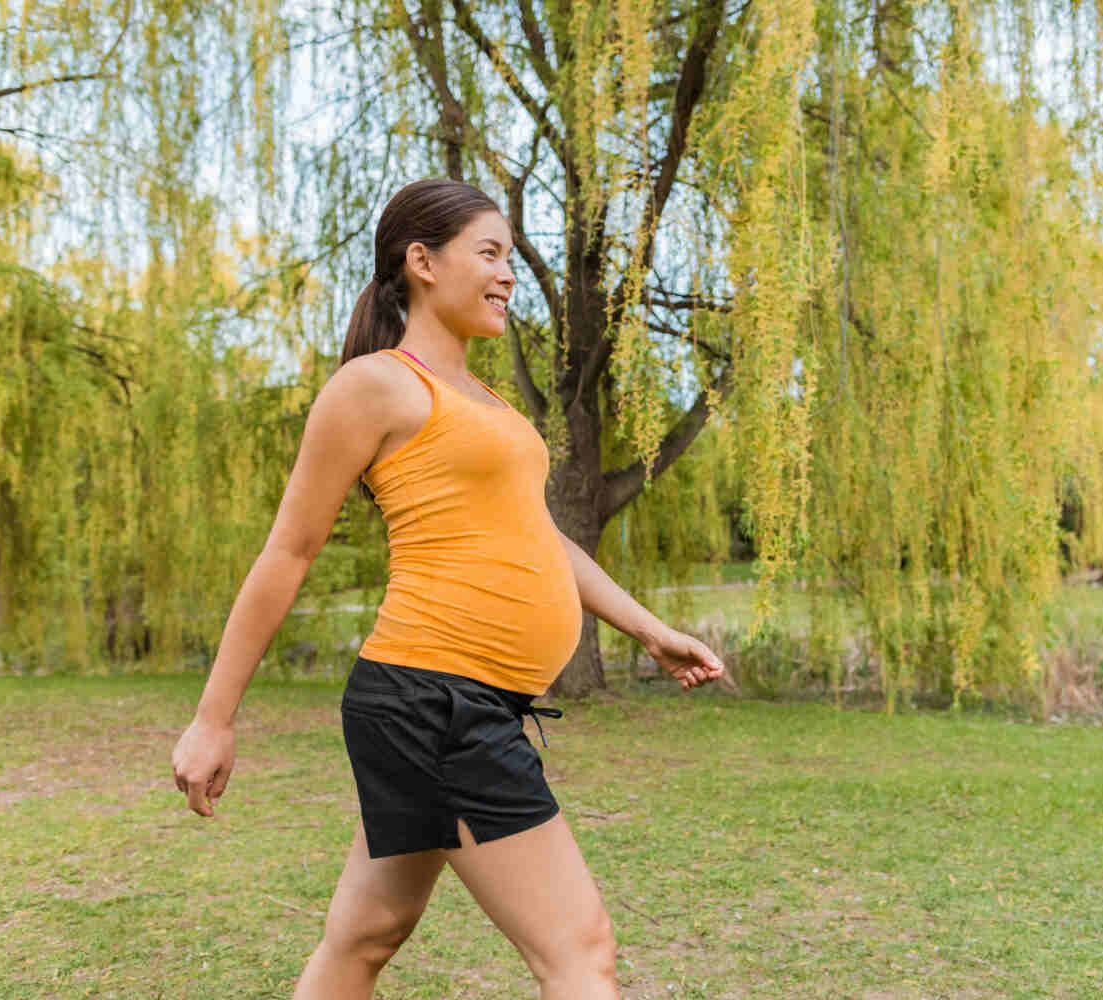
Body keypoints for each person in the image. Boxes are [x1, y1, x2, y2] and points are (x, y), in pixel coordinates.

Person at [169, 177, 725, 1000]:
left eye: (512, 258)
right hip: (436, 701)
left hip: (456, 702)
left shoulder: (489, 403)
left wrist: (647, 628)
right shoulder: (376, 385)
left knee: (364, 936)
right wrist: (213, 719)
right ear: (421, 261)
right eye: (490, 253)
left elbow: (538, 538)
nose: (508, 274)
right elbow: (288, 552)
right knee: (580, 953)